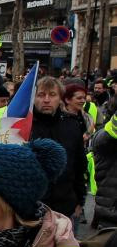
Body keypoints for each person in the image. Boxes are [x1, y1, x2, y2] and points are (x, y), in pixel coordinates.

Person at [31, 76, 88, 224]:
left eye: (52, 95)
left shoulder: (72, 125)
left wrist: (79, 200)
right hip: (31, 208)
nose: (47, 100)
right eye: (41, 95)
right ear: (34, 97)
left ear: (60, 98)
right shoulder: (24, 126)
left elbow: (79, 165)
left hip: (65, 207)